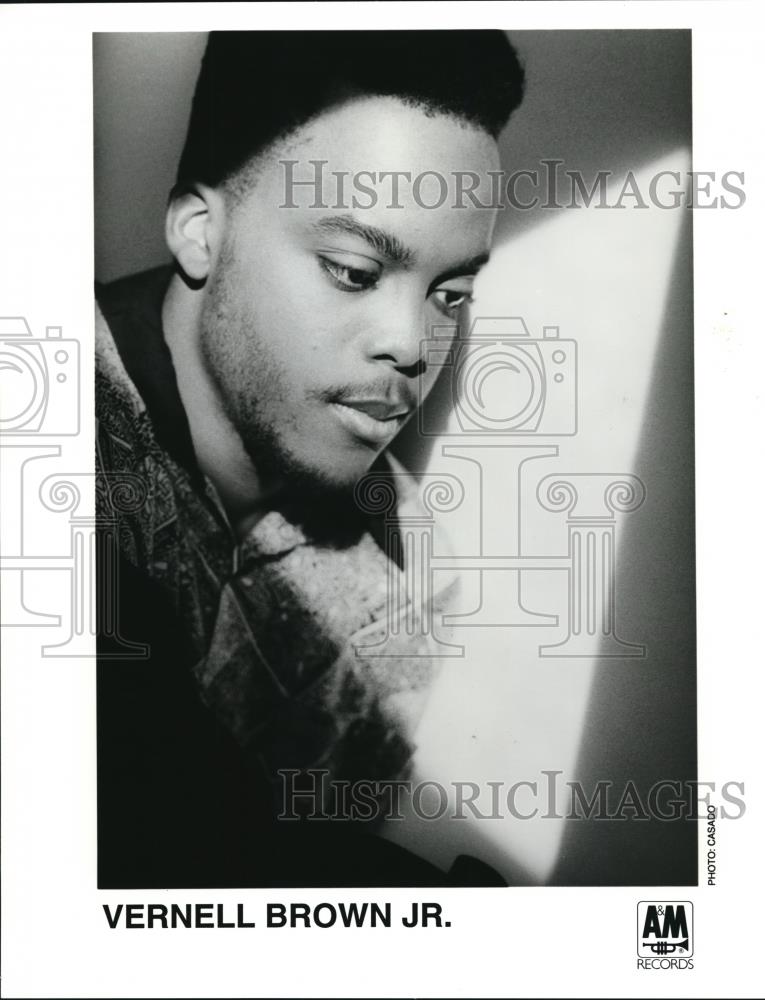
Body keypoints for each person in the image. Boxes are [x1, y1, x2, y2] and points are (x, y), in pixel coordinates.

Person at [95, 29, 525, 888]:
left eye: (452, 294)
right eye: (354, 269)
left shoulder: (403, 579)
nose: (413, 345)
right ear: (198, 232)